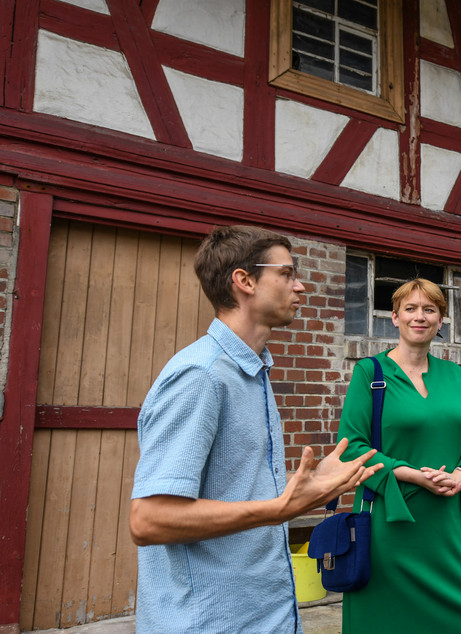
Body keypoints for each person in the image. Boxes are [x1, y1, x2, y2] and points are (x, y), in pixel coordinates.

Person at [130, 225, 381, 633]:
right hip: (208, 622)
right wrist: (279, 509)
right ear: (244, 281)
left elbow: (237, 488)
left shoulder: (254, 369)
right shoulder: (202, 375)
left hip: (267, 617)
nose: (300, 287)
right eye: (286, 274)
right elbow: (148, 520)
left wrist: (311, 483)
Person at [337, 278, 461, 634]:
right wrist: (411, 473)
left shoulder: (453, 375)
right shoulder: (370, 373)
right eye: (410, 308)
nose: (419, 317)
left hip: (449, 524)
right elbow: (353, 449)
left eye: (429, 310)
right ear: (394, 317)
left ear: (440, 321)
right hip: (391, 525)